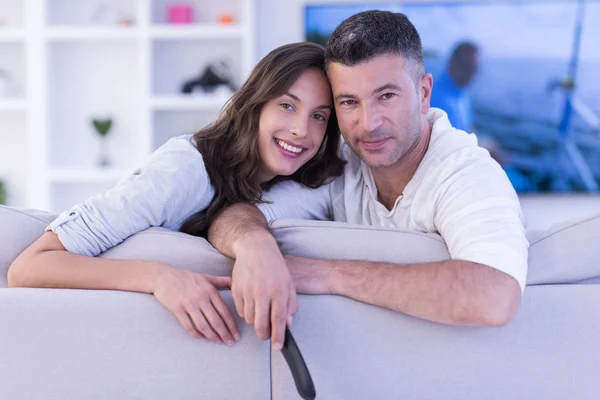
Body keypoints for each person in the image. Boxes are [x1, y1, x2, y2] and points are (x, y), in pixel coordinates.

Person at [206, 11, 529, 350]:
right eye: (349, 102)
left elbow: (494, 295)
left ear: (423, 93)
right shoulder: (345, 160)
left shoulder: (465, 173)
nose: (368, 122)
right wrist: (255, 247)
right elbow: (236, 212)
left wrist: (324, 274)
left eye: (386, 96)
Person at [7, 42, 345, 349]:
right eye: (287, 105)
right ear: (255, 106)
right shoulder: (185, 170)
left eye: (318, 116)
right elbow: (27, 268)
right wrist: (159, 277)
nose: (302, 129)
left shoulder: (303, 186)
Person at [430, 41, 479, 132]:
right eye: (466, 67)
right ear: (452, 63)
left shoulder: (463, 92)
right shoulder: (431, 96)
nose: (471, 74)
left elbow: (469, 126)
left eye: (474, 69)